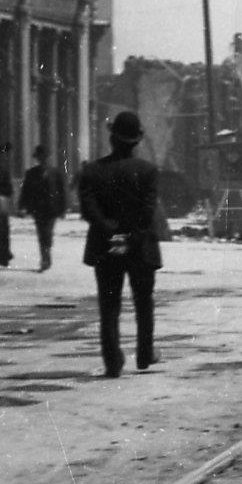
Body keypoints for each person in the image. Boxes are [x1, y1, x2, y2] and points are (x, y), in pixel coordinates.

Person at [78, 111, 164, 378]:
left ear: (112, 138)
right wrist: (131, 235)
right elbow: (148, 212)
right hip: (140, 246)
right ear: (136, 140)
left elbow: (88, 210)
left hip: (105, 245)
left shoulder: (92, 171)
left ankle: (112, 361)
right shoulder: (148, 171)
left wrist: (110, 229)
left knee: (109, 304)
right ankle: (145, 354)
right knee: (143, 302)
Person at [17, 144, 68, 271]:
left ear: (48, 158)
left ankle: (47, 254)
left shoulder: (56, 173)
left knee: (48, 233)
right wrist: (22, 206)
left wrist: (63, 209)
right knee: (41, 234)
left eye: (44, 157)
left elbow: (62, 192)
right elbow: (25, 191)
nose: (42, 159)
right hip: (38, 209)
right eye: (40, 157)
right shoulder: (31, 173)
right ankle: (44, 258)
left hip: (52, 209)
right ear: (37, 159)